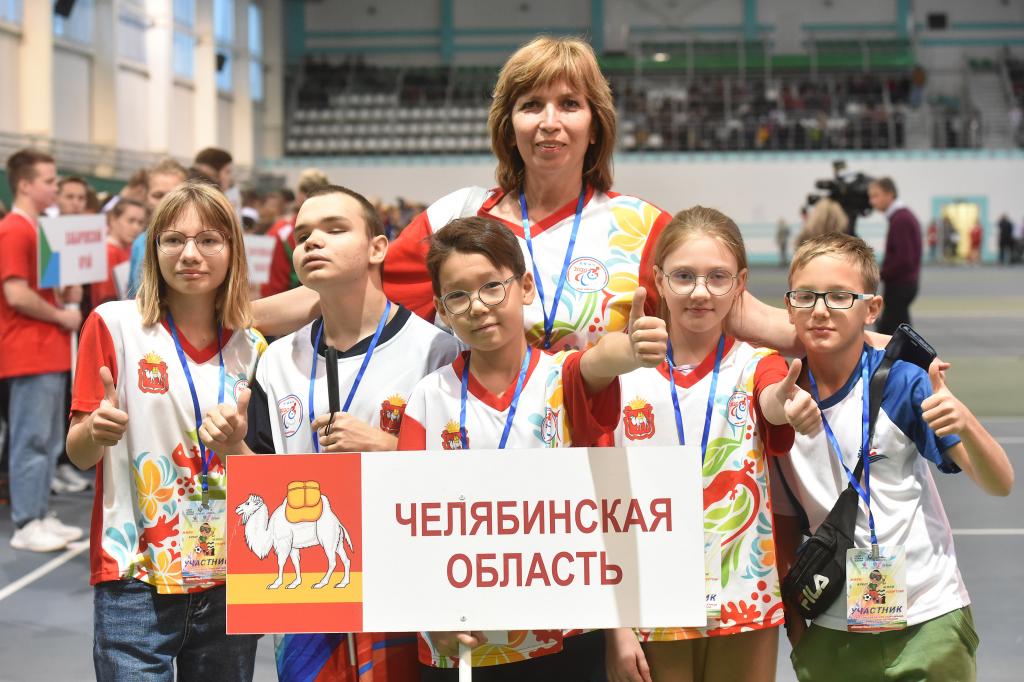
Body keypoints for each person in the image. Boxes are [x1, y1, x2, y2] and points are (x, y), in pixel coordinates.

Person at [383, 36, 796, 355]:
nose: (549, 122)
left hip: (607, 437)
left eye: (569, 104)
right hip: (482, 435)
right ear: (509, 128)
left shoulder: (644, 226)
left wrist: (829, 330)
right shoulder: (456, 218)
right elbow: (368, 304)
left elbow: (742, 313)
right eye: (531, 105)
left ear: (595, 126)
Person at [397, 217, 667, 680]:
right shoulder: (428, 397)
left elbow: (603, 359)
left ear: (524, 287)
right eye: (458, 296)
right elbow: (406, 519)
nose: (477, 306)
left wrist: (632, 349)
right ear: (441, 308)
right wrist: (429, 612)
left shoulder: (564, 377)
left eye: (491, 287)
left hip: (567, 634)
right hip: (467, 639)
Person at [233, 184, 463, 682]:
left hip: (405, 580)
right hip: (311, 590)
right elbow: (261, 483)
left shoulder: (437, 352)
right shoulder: (276, 361)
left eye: (335, 229)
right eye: (302, 236)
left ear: (378, 248)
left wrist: (387, 446)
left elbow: (463, 480)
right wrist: (231, 445)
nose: (313, 242)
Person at [772, 232, 1012, 682]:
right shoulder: (777, 399)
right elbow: (784, 519)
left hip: (928, 620)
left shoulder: (904, 383)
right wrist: (795, 619)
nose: (820, 310)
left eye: (840, 296)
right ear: (789, 306)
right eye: (805, 296)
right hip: (830, 629)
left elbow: (1000, 482)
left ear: (872, 309)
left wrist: (965, 422)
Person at [66, 181, 265, 680]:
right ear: (154, 249)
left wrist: (234, 446)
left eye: (209, 240)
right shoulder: (113, 325)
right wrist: (97, 431)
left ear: (233, 250)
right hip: (134, 573)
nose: (189, 254)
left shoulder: (254, 347)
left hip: (231, 574)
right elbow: (79, 455)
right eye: (173, 239)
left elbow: (264, 479)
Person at [605, 207, 812, 682]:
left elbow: (773, 400)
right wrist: (616, 626)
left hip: (745, 593)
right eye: (684, 276)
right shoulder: (619, 373)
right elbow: (599, 501)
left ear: (740, 283)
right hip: (650, 593)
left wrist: (785, 405)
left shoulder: (759, 365)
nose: (700, 292)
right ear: (658, 279)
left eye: (718, 277)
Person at [0, 149, 84, 552]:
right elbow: (15, 293)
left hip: (49, 349)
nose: (55, 188)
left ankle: (38, 511)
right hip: (29, 349)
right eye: (49, 181)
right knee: (31, 438)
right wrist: (60, 315)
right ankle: (26, 521)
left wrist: (69, 292)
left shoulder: (41, 231)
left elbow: (53, 288)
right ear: (25, 184)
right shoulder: (15, 230)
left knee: (48, 440)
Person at [261, 168, 331, 298]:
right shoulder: (334, 232)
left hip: (288, 304)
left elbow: (274, 287)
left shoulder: (281, 232)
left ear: (300, 196)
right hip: (328, 303)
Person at [126, 158, 190, 295]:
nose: (165, 202)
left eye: (174, 195)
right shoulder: (139, 243)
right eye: (157, 195)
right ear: (146, 197)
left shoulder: (197, 243)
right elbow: (133, 296)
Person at [868, 177, 921, 335]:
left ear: (889, 194)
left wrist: (880, 274)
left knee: (890, 331)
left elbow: (903, 259)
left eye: (876, 196)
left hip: (901, 284)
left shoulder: (901, 219)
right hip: (903, 283)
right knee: (898, 329)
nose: (872, 201)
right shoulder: (900, 217)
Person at [90, 198, 146, 305]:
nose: (136, 227)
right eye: (131, 221)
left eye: (140, 222)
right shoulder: (108, 252)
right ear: (113, 220)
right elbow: (107, 299)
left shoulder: (130, 248)